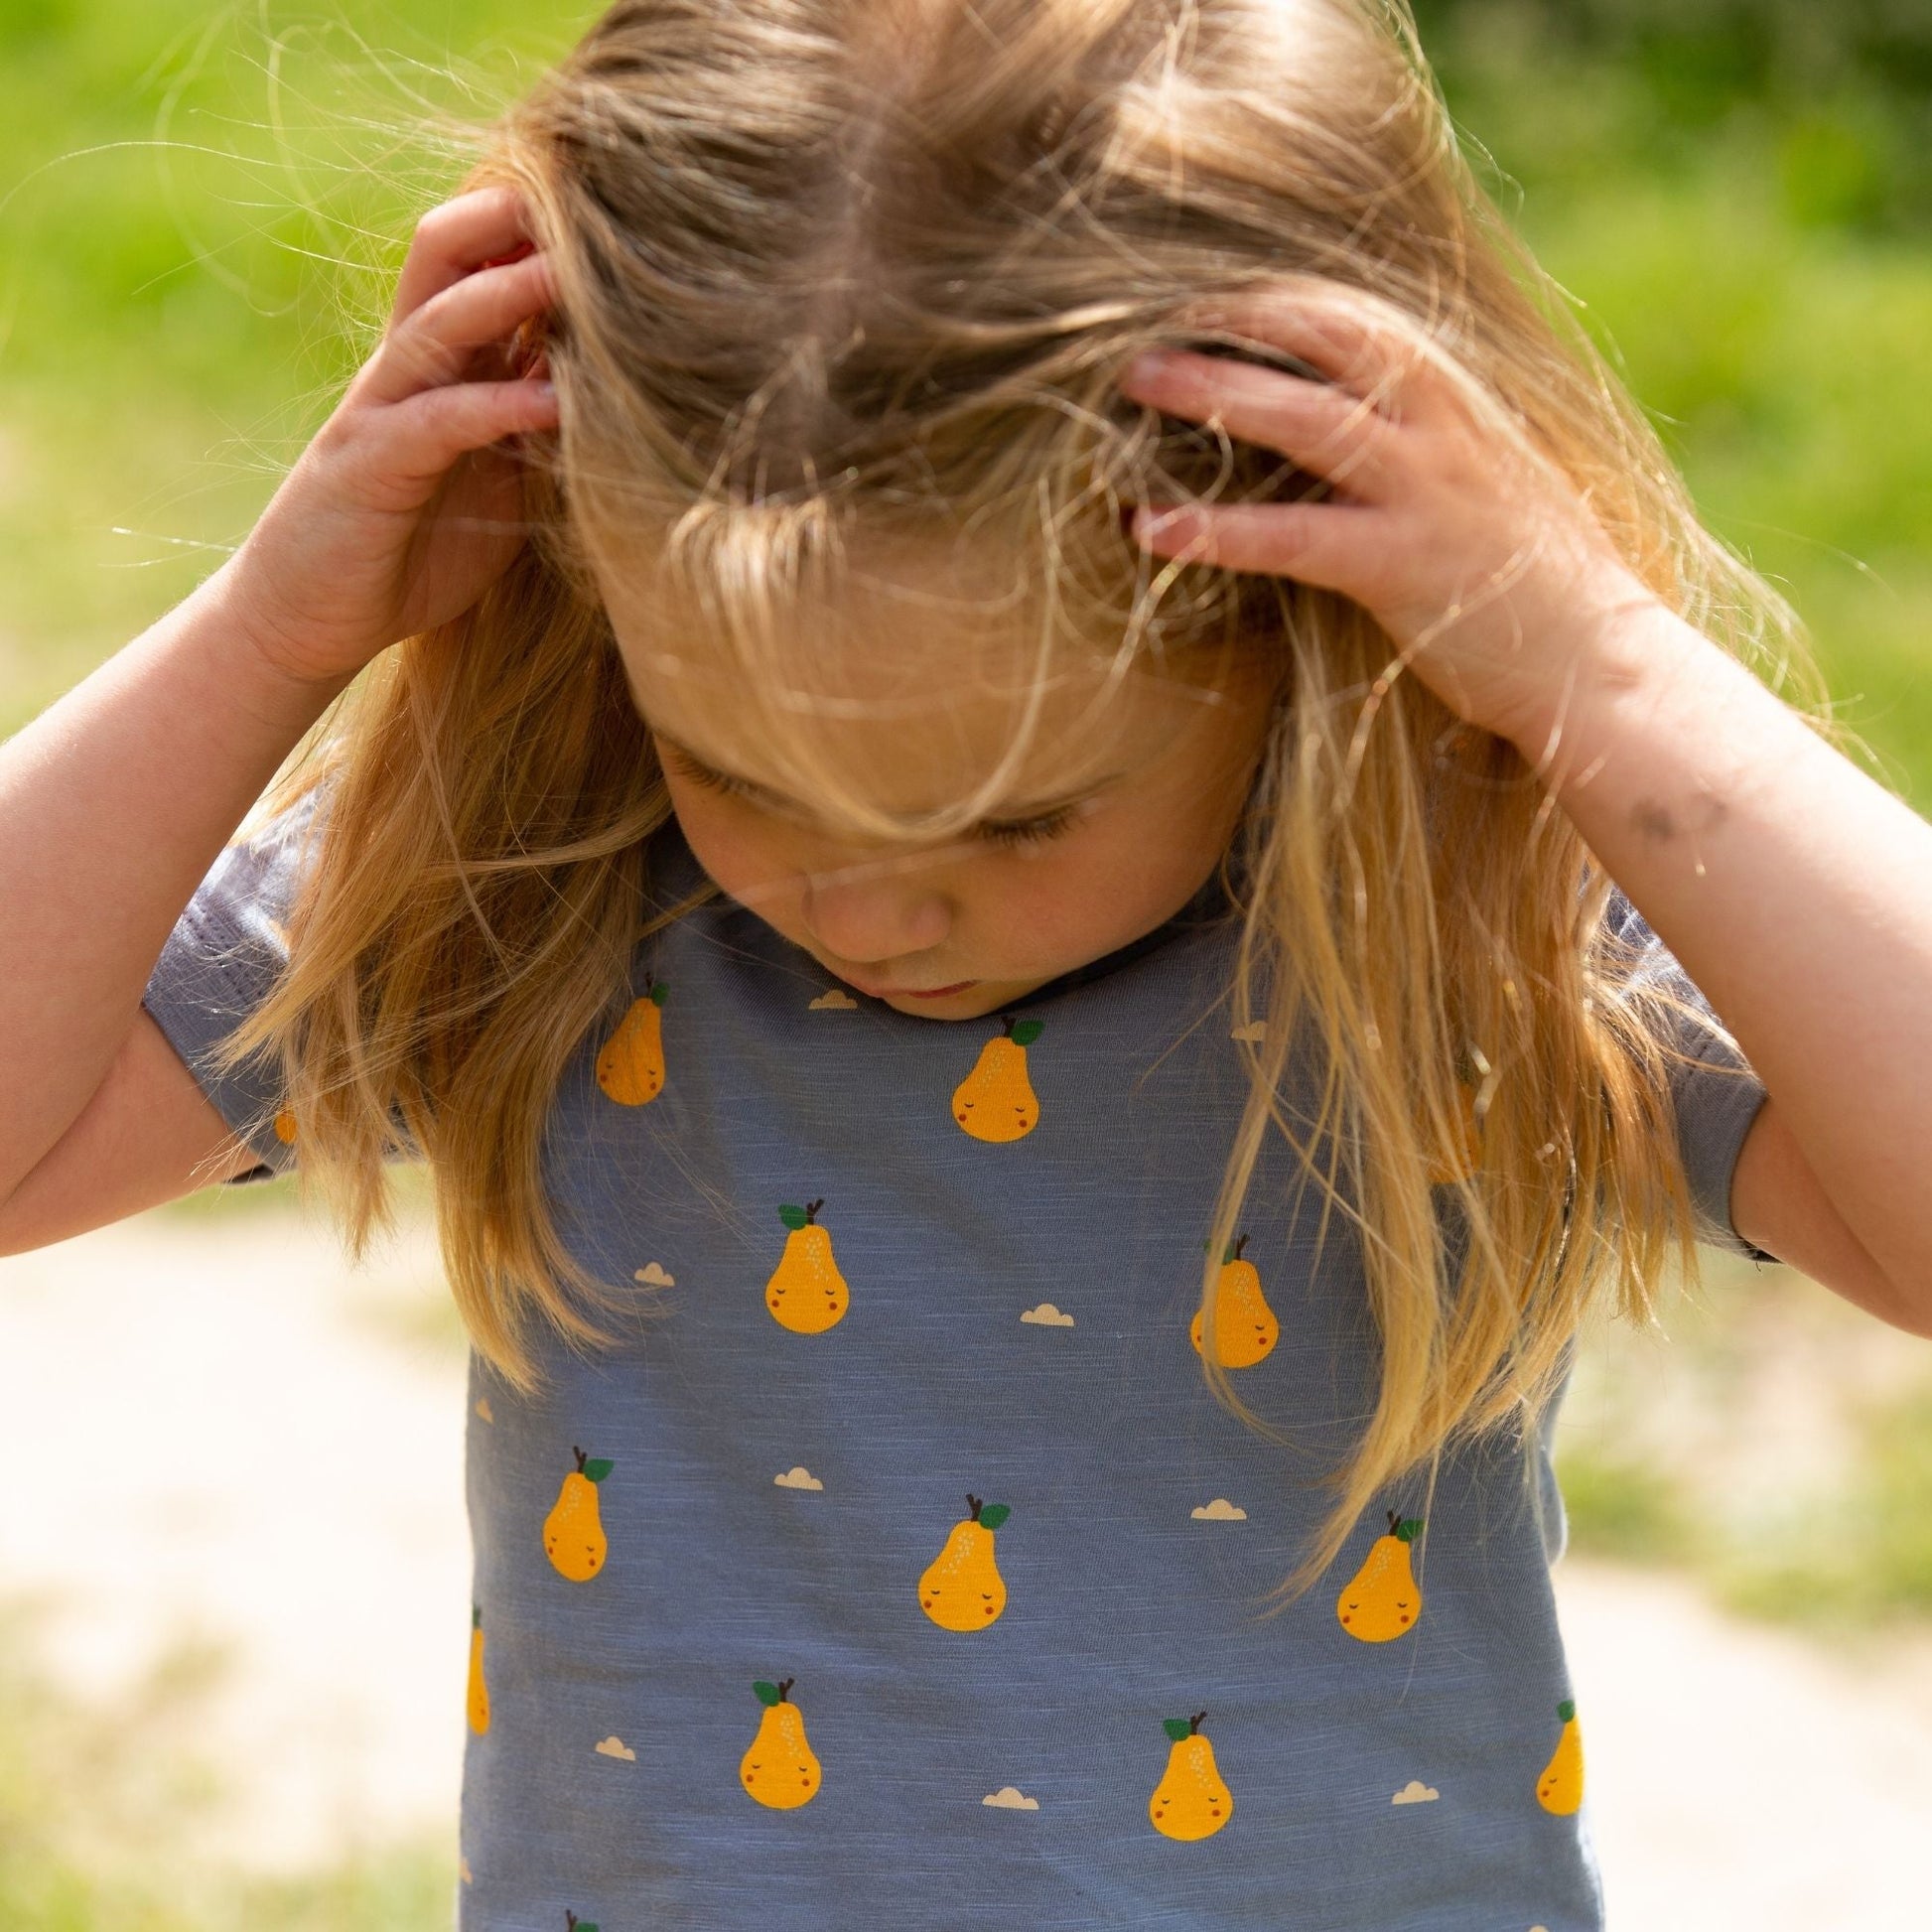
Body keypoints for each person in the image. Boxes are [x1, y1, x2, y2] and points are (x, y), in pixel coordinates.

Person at [3, 0, 1928, 1924]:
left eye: (1017, 820)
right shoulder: (557, 875)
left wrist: (1594, 663)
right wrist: (270, 632)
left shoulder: (1438, 907)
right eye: (742, 773)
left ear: (1290, 619)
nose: (866, 906)